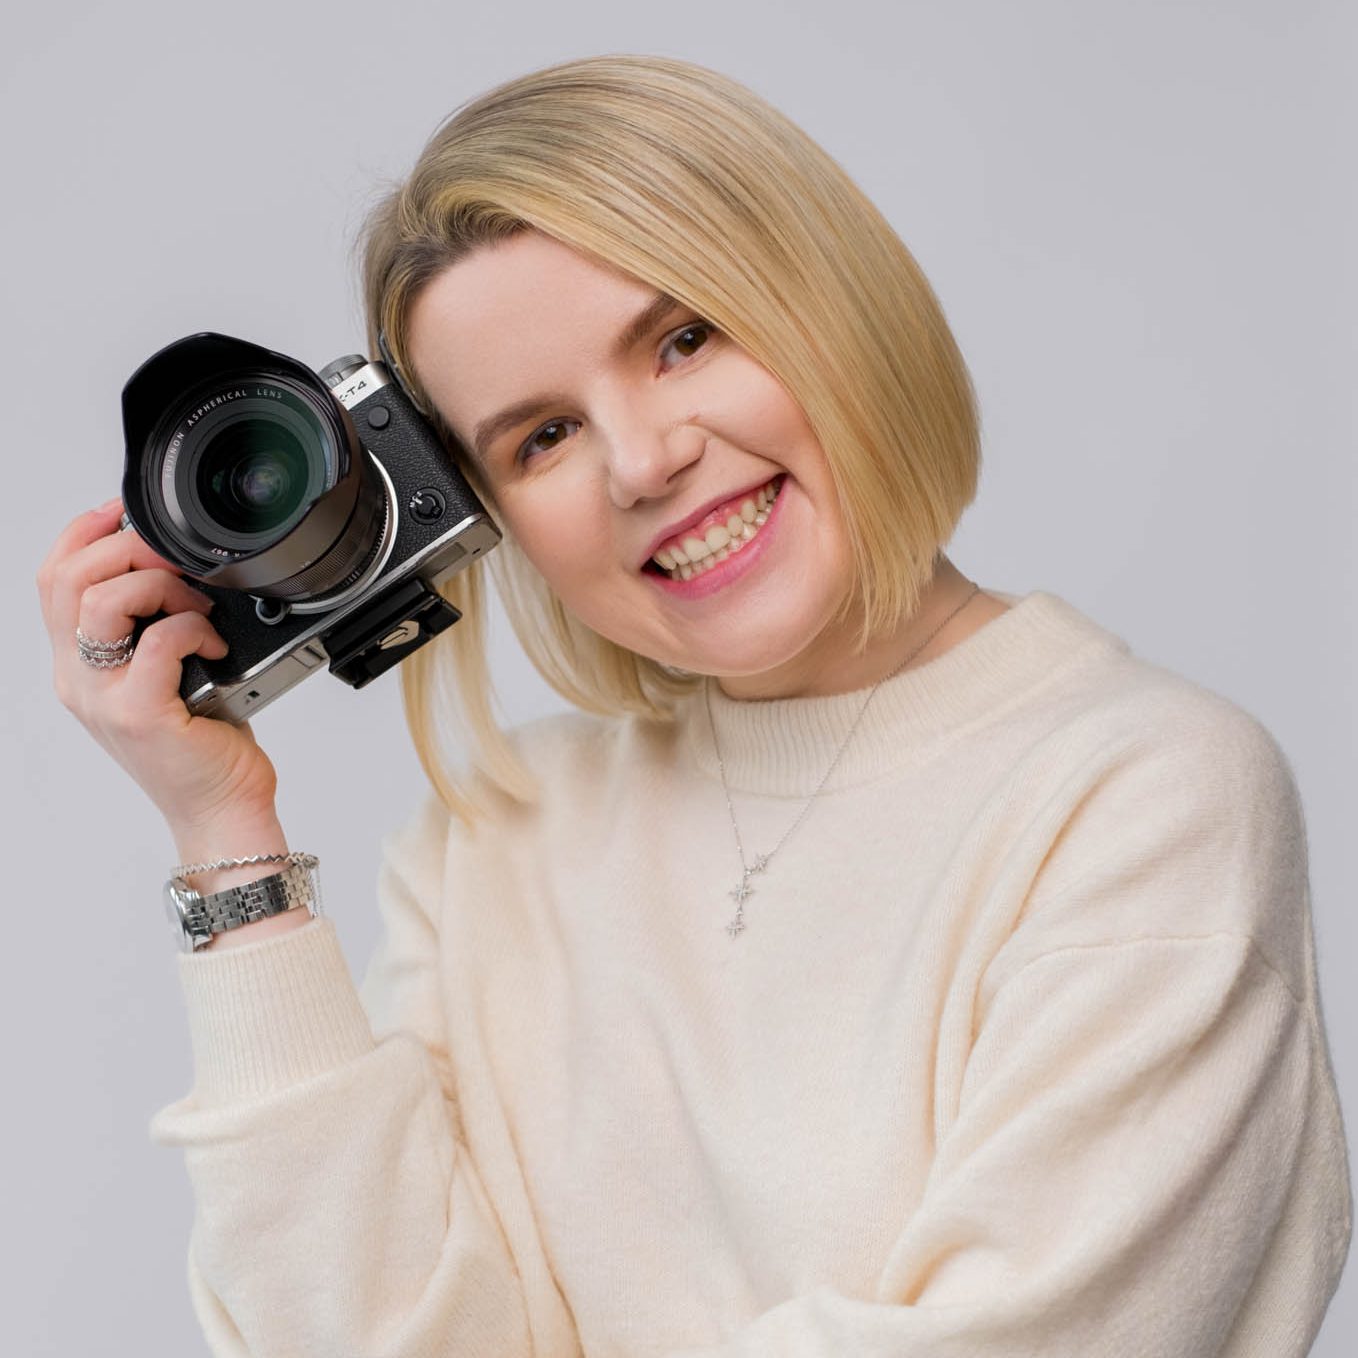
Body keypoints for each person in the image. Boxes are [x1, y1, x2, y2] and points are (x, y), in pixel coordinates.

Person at [37, 53, 1350, 1358]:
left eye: (681, 340)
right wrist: (223, 831)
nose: (645, 459)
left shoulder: (1143, 792)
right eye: (540, 436)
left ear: (826, 304)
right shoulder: (496, 843)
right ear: (485, 520)